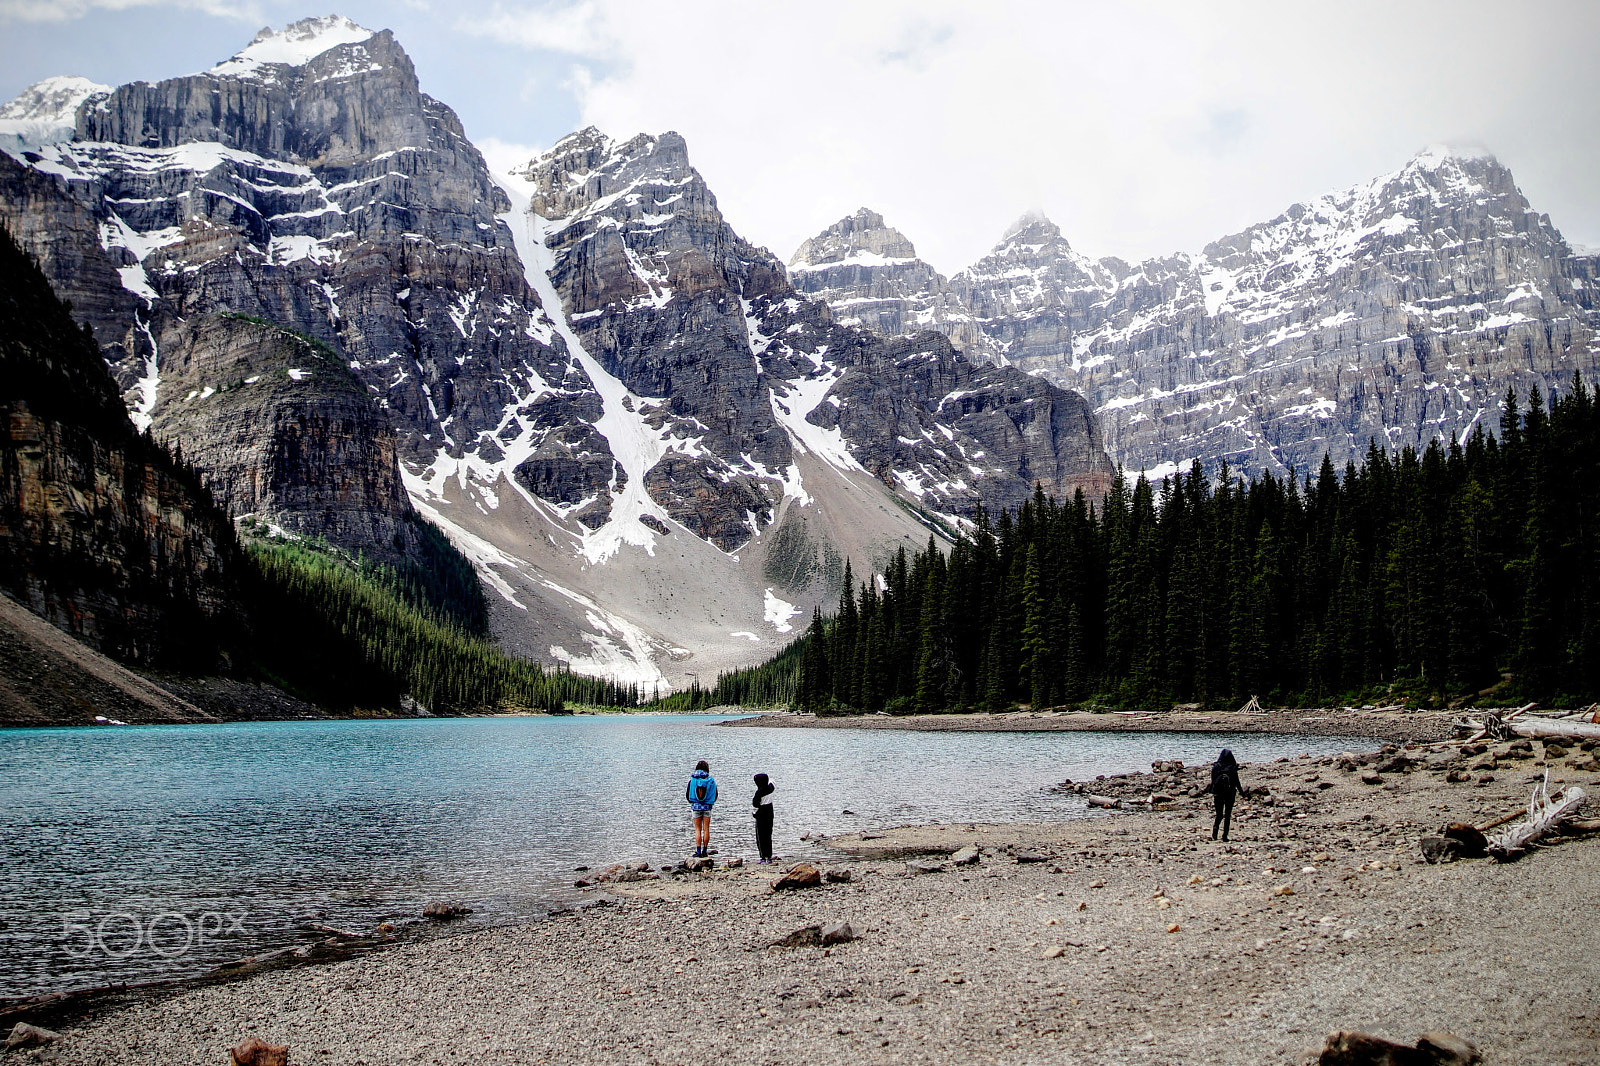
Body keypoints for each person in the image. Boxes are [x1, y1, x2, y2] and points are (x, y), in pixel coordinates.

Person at [1203, 748, 1247, 841]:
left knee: (1219, 814)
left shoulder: (1216, 767)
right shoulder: (1232, 768)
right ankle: (1224, 836)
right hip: (1230, 793)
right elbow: (1237, 782)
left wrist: (1212, 791)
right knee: (1227, 815)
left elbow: (1213, 781)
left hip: (1218, 793)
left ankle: (1215, 831)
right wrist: (1243, 794)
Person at [685, 760, 718, 857]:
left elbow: (688, 795)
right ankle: (705, 850)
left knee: (697, 829)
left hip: (696, 807)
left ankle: (698, 850)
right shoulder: (711, 780)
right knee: (706, 829)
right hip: (707, 807)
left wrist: (693, 803)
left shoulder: (692, 780)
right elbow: (715, 795)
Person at [751, 772, 776, 862]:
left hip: (761, 813)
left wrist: (754, 814)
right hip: (769, 811)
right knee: (768, 834)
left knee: (761, 836)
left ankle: (762, 857)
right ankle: (769, 856)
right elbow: (772, 781)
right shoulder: (770, 788)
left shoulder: (758, 793)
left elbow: (755, 806)